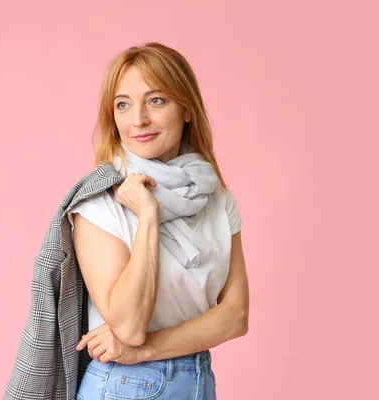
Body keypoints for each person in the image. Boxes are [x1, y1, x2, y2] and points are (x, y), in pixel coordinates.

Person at [68, 42, 250, 400]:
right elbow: (129, 326)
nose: (138, 120)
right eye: (123, 105)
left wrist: (146, 350)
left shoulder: (215, 197)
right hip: (124, 385)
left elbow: (235, 316)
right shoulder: (99, 202)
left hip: (197, 379)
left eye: (156, 100)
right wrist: (148, 215)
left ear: (186, 108)